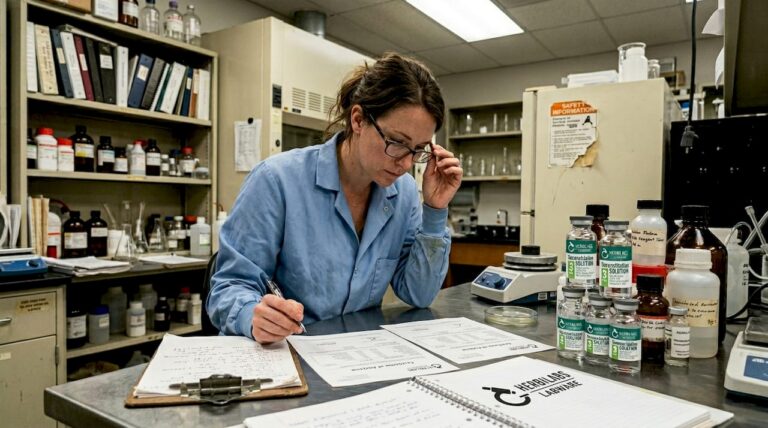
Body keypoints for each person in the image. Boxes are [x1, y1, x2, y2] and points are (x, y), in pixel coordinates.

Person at [208, 53, 462, 343]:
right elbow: (228, 288)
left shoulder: (403, 194)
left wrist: (435, 209)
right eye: (397, 143)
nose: (406, 164)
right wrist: (252, 315)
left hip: (353, 357)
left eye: (418, 150)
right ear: (358, 120)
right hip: (284, 353)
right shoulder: (276, 181)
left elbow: (418, 294)